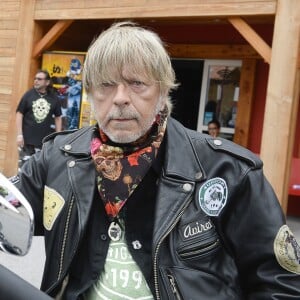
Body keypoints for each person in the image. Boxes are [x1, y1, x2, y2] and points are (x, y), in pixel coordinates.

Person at [13, 22, 300, 299]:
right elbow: (9, 210)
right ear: (90, 92)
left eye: (137, 83)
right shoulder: (58, 157)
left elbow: (281, 284)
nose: (120, 98)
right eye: (106, 85)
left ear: (163, 92)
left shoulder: (230, 172)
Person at [15, 70, 62, 167]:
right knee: (23, 170)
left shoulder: (53, 98)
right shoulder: (28, 95)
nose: (36, 81)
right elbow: (19, 113)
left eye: (39, 79)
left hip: (43, 143)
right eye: (35, 78)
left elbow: (58, 117)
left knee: (37, 171)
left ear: (47, 82)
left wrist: (58, 136)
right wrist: (19, 135)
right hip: (26, 142)